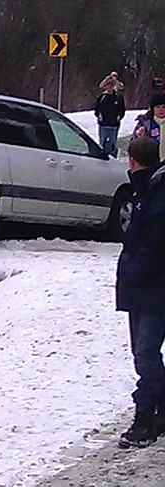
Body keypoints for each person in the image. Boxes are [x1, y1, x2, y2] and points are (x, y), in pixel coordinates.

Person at [116, 136, 165, 448]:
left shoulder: (152, 193)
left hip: (151, 287)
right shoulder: (146, 190)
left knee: (145, 353)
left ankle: (146, 416)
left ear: (132, 161)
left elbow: (151, 242)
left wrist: (134, 271)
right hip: (144, 287)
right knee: (144, 353)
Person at [94, 73, 125, 157]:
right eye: (108, 85)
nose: (110, 87)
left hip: (114, 125)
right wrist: (100, 117)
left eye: (111, 84)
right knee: (103, 143)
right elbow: (97, 109)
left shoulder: (118, 97)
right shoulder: (102, 97)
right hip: (104, 125)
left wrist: (118, 118)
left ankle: (113, 156)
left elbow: (122, 110)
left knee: (113, 143)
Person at [132, 92, 165, 164]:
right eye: (157, 107)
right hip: (151, 161)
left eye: (163, 107)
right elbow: (133, 145)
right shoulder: (145, 123)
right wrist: (139, 137)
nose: (161, 110)